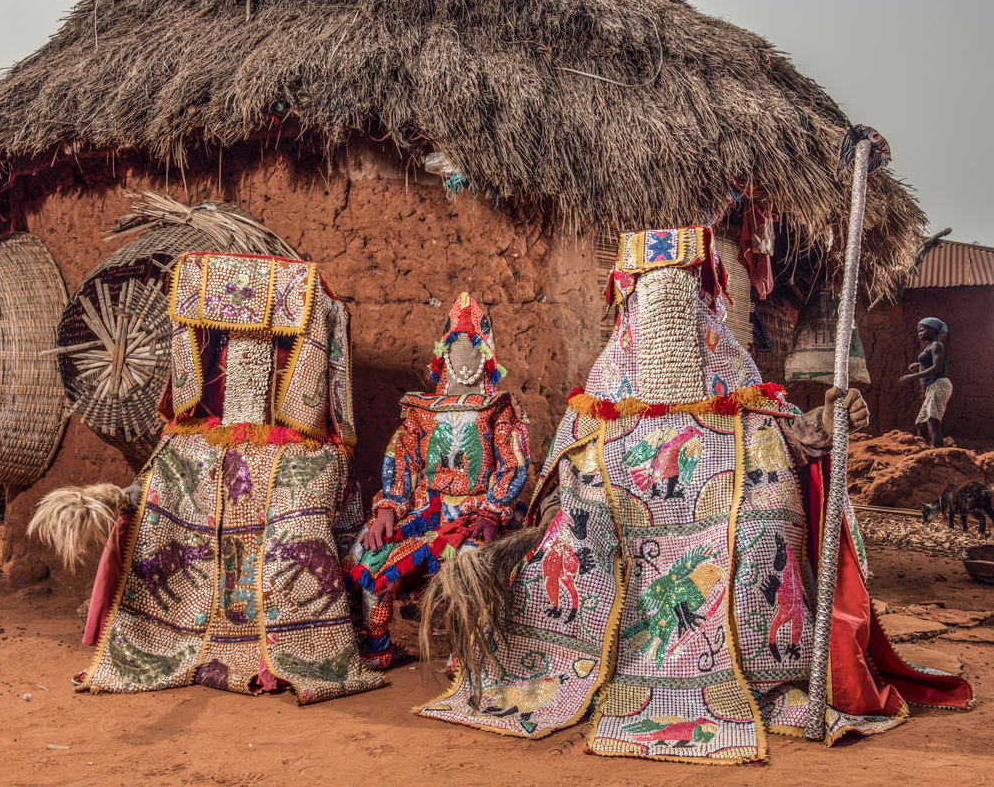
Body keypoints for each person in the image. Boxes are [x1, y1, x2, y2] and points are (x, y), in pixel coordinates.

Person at [415, 227, 972, 763]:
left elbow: (801, 440)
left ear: (706, 310)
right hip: (621, 564)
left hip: (725, 588)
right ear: (631, 312)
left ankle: (766, 668)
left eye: (681, 299)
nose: (667, 317)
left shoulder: (746, 398)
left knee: (769, 513)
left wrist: (829, 421)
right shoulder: (599, 407)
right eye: (654, 302)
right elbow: (555, 490)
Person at [31, 251, 384, 704]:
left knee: (298, 513)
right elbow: (188, 412)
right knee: (167, 484)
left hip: (288, 438)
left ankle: (280, 646)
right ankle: (163, 631)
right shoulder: (202, 392)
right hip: (218, 433)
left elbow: (322, 422)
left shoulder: (315, 328)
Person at [344, 292, 531, 670]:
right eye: (456, 350)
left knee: (470, 561)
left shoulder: (499, 410)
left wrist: (494, 513)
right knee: (369, 552)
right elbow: (404, 458)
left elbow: (512, 462)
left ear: (487, 356)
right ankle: (378, 646)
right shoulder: (420, 412)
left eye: (472, 349)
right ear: (444, 356)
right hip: (428, 508)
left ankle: (469, 654)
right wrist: (387, 508)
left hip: (476, 510)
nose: (465, 358)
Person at [899, 317, 951, 448]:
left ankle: (938, 455)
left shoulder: (936, 345)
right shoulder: (931, 346)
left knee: (932, 421)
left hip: (938, 384)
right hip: (932, 387)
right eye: (918, 331)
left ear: (932, 330)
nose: (919, 333)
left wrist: (913, 376)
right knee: (921, 423)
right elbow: (932, 363)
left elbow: (937, 368)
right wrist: (919, 365)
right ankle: (924, 452)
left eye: (922, 330)